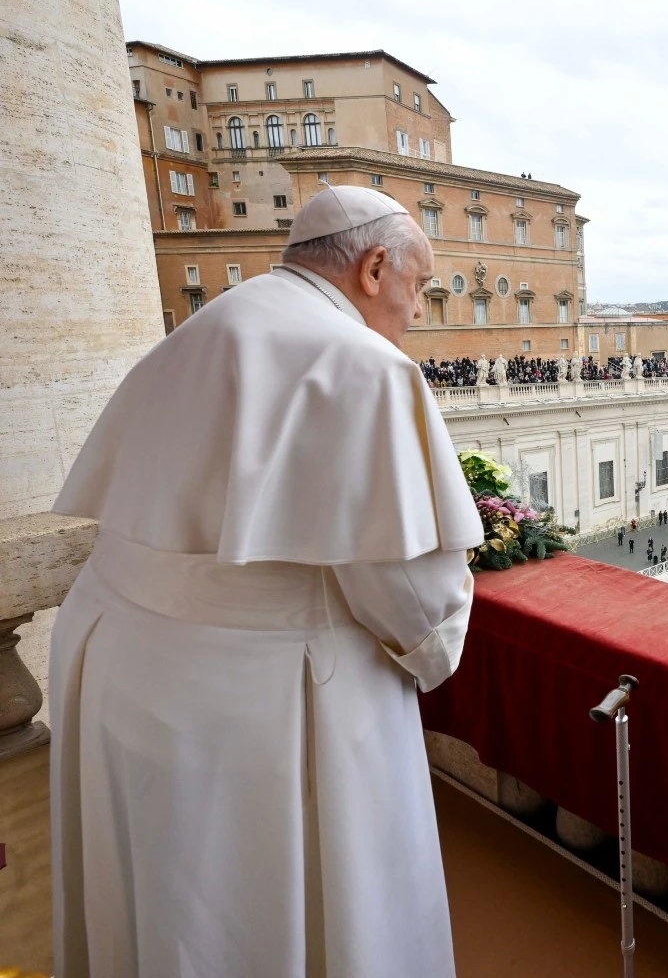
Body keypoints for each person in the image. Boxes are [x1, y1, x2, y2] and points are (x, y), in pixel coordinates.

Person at [49, 187, 477, 976]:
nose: (418, 312)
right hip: (257, 710)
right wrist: (444, 633)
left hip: (123, 670)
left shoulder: (200, 329)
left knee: (163, 906)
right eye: (419, 287)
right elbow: (411, 598)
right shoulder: (363, 364)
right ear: (374, 268)